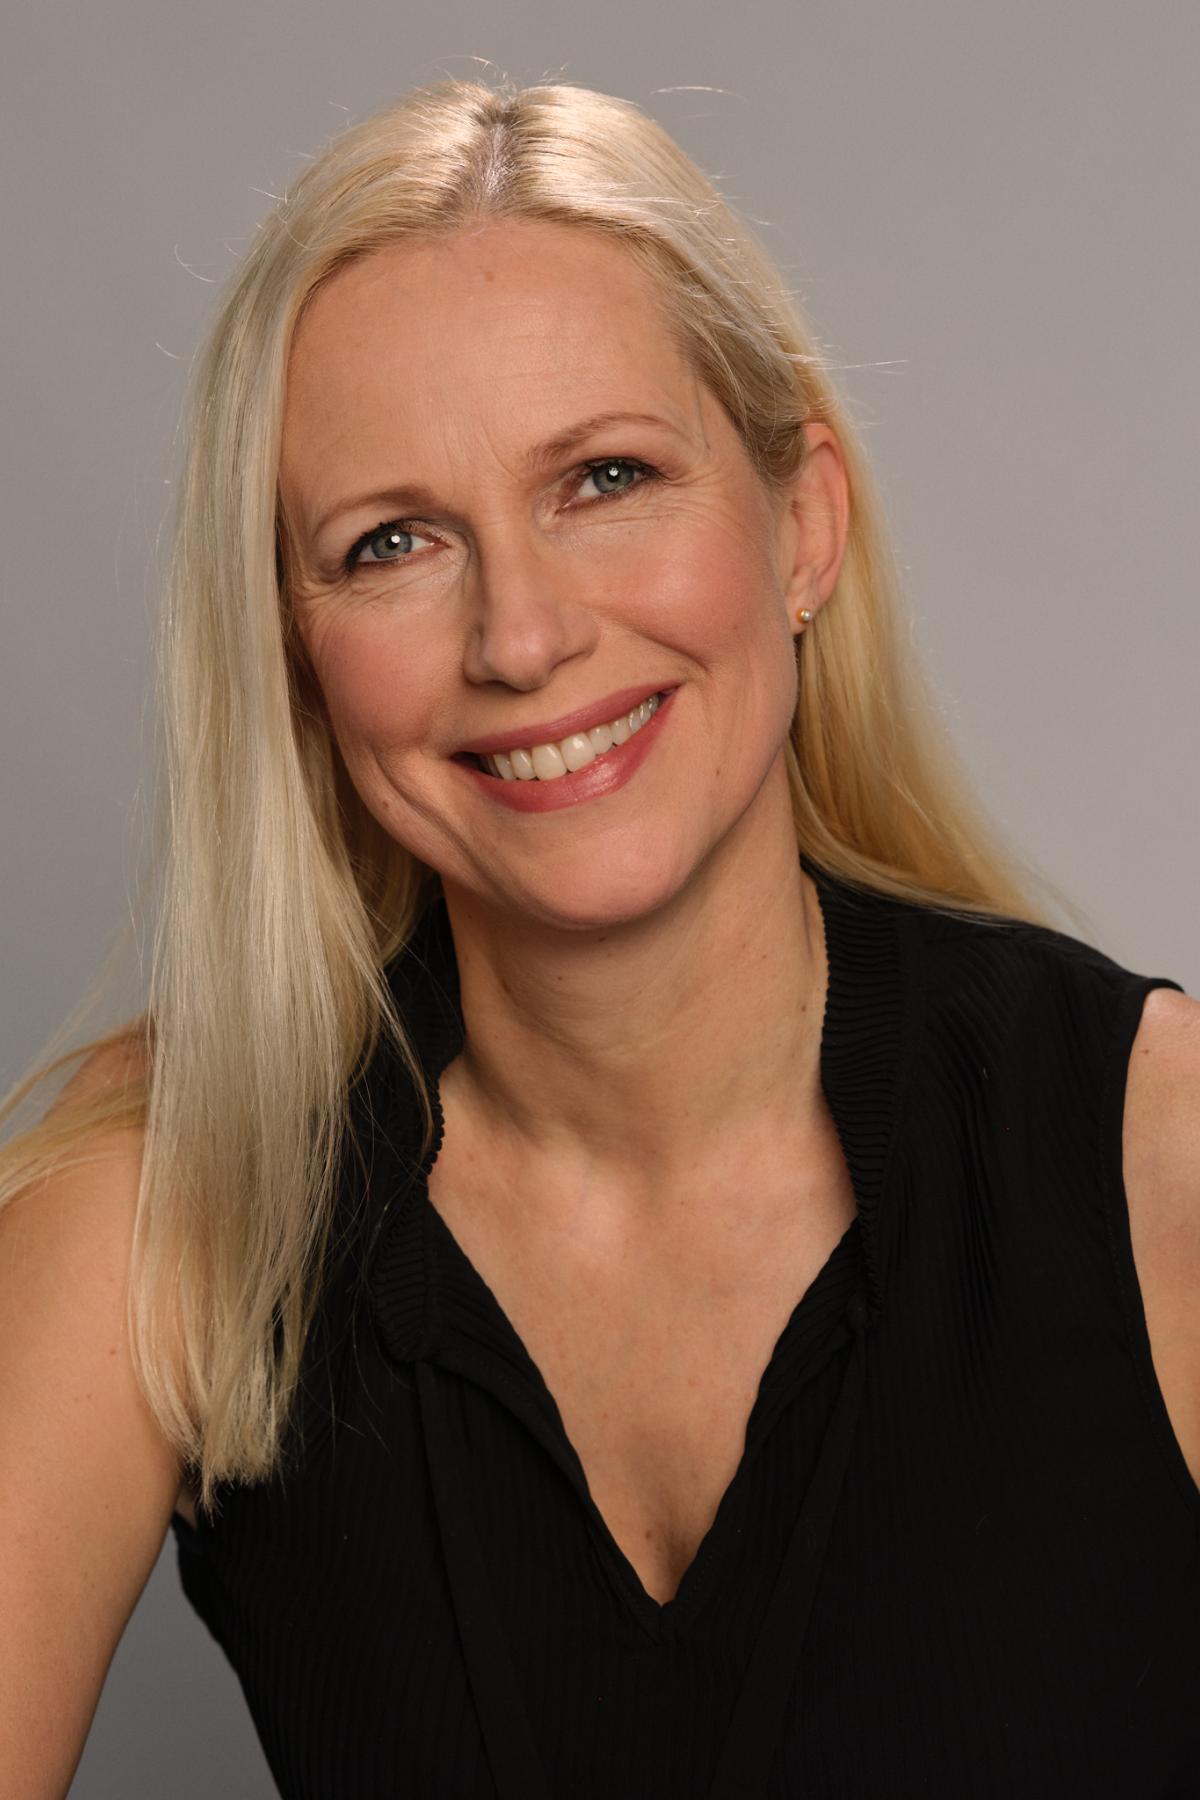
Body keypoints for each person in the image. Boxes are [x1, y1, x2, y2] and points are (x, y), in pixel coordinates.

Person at [1, 76, 1197, 1800]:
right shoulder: (177, 1197)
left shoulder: (1160, 1158)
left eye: (607, 477)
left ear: (802, 525)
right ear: (295, 655)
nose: (522, 635)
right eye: (393, 543)